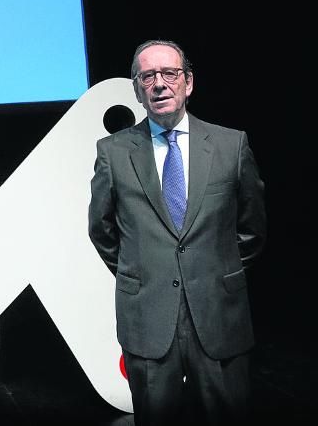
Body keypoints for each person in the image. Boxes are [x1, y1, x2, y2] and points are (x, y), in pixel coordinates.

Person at [88, 40, 266, 425]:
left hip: (219, 314)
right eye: (147, 76)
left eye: (169, 73)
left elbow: (252, 229)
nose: (159, 84)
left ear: (188, 83)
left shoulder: (231, 145)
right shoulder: (113, 153)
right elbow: (101, 230)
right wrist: (142, 272)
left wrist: (217, 271)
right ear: (137, 89)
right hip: (148, 317)